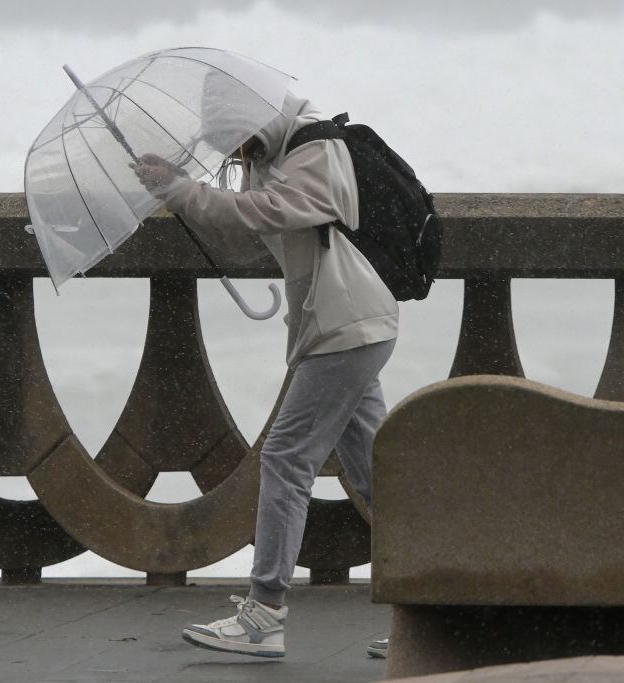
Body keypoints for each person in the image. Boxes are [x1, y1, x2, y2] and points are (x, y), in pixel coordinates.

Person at [131, 86, 397, 660]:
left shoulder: (316, 147)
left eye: (235, 138)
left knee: (286, 457)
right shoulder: (276, 154)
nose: (235, 152)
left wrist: (183, 190)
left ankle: (265, 611)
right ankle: (434, 605)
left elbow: (266, 211)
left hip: (345, 327)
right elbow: (241, 224)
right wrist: (177, 182)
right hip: (343, 326)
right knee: (381, 476)